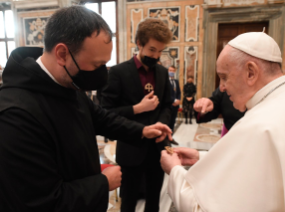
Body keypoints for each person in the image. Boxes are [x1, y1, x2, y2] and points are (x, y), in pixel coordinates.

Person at [0, 6, 172, 212]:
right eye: (97, 65)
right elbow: (39, 203)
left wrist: (142, 131)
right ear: (62, 54)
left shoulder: (66, 82)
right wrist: (102, 184)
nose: (102, 75)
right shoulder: (15, 116)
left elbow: (101, 118)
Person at [160, 32, 285, 212]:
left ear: (251, 72)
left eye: (224, 77)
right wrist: (201, 158)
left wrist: (174, 171)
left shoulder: (260, 126)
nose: (221, 87)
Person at [100, 18, 173, 212]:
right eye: (151, 50)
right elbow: (106, 113)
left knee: (154, 201)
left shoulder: (163, 73)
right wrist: (137, 108)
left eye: (160, 51)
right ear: (139, 44)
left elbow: (167, 105)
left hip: (157, 148)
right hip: (131, 147)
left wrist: (161, 125)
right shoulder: (118, 73)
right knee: (129, 202)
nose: (156, 56)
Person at [168, 65, 181, 132]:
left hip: (176, 106)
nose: (172, 72)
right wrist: (174, 100)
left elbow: (179, 92)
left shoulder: (176, 81)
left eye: (173, 71)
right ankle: (166, 138)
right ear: (168, 71)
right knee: (168, 122)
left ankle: (171, 135)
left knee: (173, 121)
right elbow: (166, 94)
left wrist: (178, 100)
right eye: (170, 70)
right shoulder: (166, 81)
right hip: (169, 105)